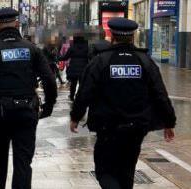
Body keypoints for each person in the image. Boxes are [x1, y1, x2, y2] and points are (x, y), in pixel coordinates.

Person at [69, 18, 176, 189]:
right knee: (127, 171)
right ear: (132, 37)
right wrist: (169, 122)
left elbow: (84, 92)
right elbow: (160, 94)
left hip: (107, 127)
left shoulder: (100, 61)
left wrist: (75, 116)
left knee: (105, 171)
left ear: (112, 35)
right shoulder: (145, 61)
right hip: (136, 128)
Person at [0, 8, 57, 189]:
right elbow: (49, 79)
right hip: (26, 111)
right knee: (23, 162)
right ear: (16, 23)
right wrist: (49, 104)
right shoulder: (31, 49)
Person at [58, 34, 89, 101]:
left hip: (73, 68)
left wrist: (58, 58)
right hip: (83, 68)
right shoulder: (86, 47)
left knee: (73, 84)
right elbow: (90, 57)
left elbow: (65, 57)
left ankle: (72, 96)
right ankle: (80, 96)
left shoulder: (72, 47)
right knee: (82, 84)